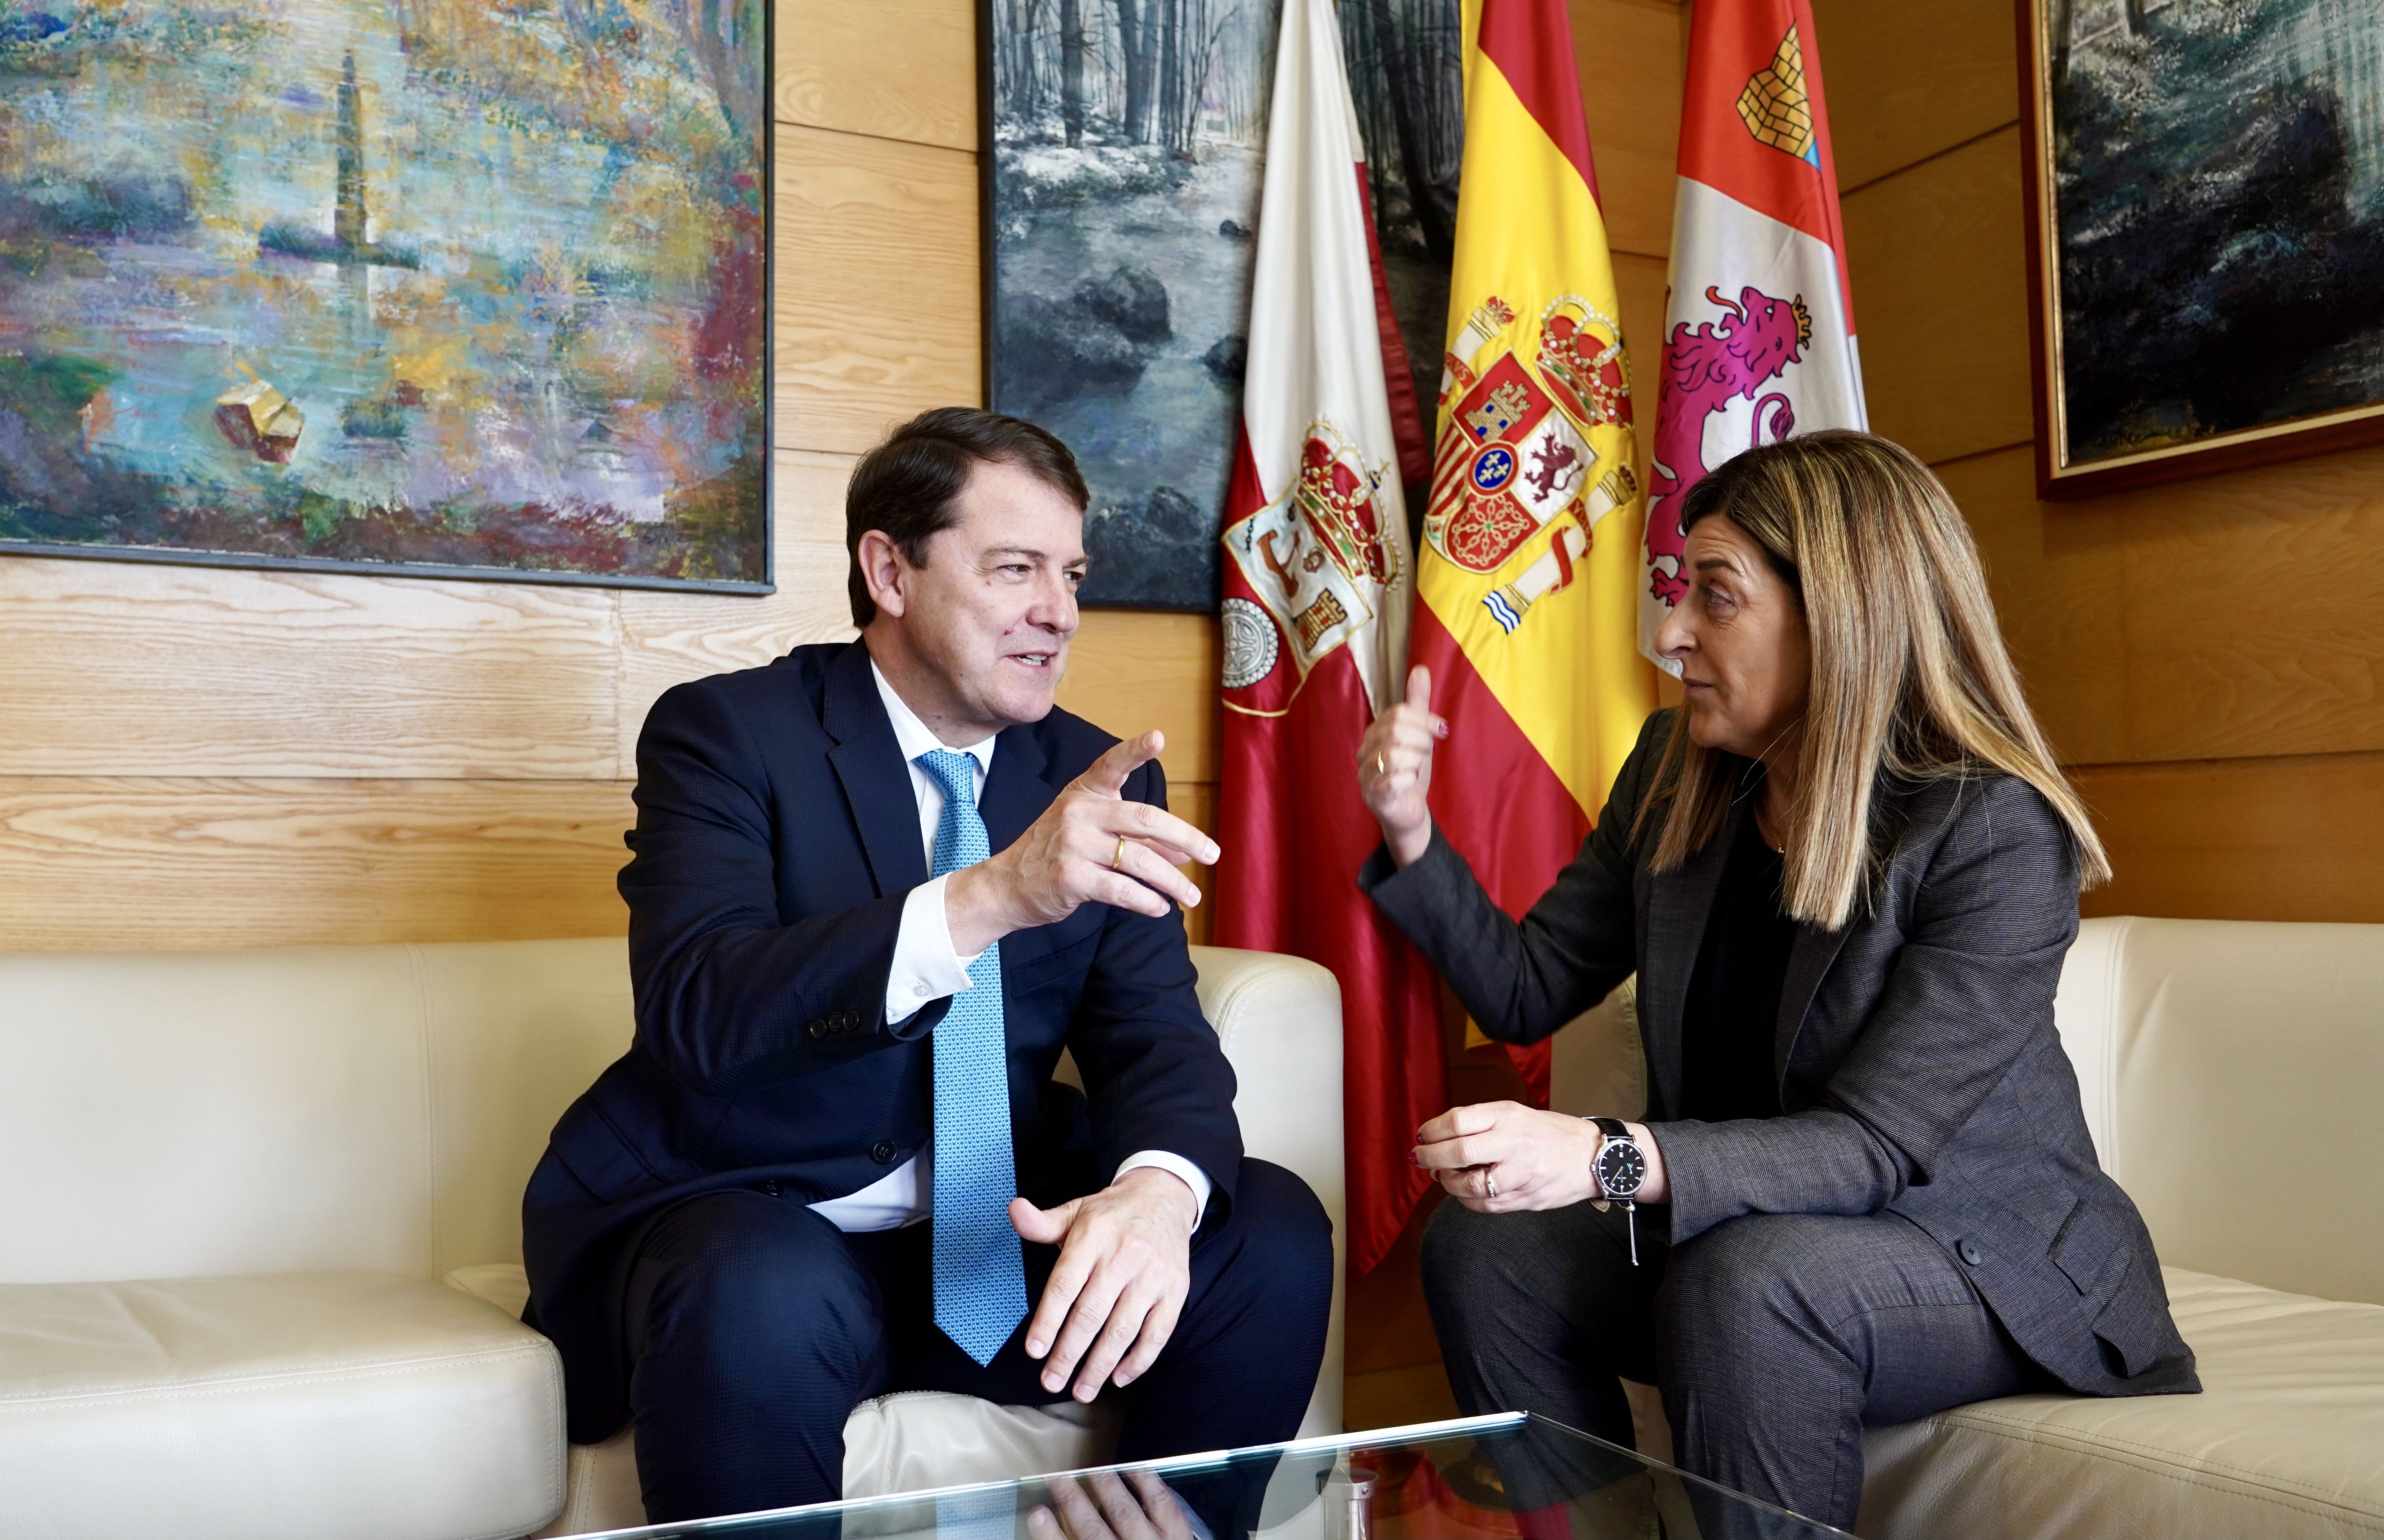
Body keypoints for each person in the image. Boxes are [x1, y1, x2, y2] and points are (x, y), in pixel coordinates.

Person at [1352, 430, 2197, 1533]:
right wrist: (1410, 831)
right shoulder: (1674, 768)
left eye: (1715, 598)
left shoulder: (1991, 830)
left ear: (1838, 614)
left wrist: (1606, 1153)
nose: (1670, 635)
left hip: (1976, 1250)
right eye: (1679, 593)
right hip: (1756, 1229)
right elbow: (1523, 987)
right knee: (1482, 1239)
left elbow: (1875, 1144)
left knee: (1749, 1280)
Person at [522, 407, 1333, 1524]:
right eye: (1015, 569)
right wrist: (992, 894)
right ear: (888, 570)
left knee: (1269, 1230)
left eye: (1072, 573)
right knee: (758, 1284)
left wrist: (1157, 1191)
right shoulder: (727, 734)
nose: (1058, 611)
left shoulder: (1093, 776)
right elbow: (699, 1010)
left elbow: (1152, 1034)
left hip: (986, 1244)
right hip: (754, 1216)